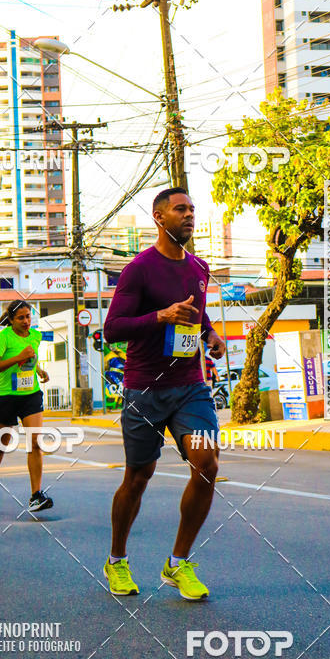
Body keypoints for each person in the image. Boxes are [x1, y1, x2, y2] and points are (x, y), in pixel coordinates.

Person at [103, 187, 226, 601]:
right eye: (180, 209)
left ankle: (178, 563)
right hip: (144, 389)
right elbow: (113, 328)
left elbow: (199, 312)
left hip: (191, 386)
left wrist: (209, 333)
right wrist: (161, 316)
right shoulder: (139, 269)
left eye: (192, 209)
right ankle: (117, 560)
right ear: (159, 218)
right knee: (138, 477)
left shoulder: (200, 267)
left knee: (206, 462)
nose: (189, 215)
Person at [0, 300, 52, 513]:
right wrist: (17, 358)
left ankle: (36, 495)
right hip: (6, 396)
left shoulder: (35, 336)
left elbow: (30, 359)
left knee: (35, 441)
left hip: (30, 394)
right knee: (3, 442)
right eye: (20, 318)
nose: (26, 321)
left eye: (28, 316)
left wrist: (39, 370)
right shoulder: (2, 338)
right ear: (11, 320)